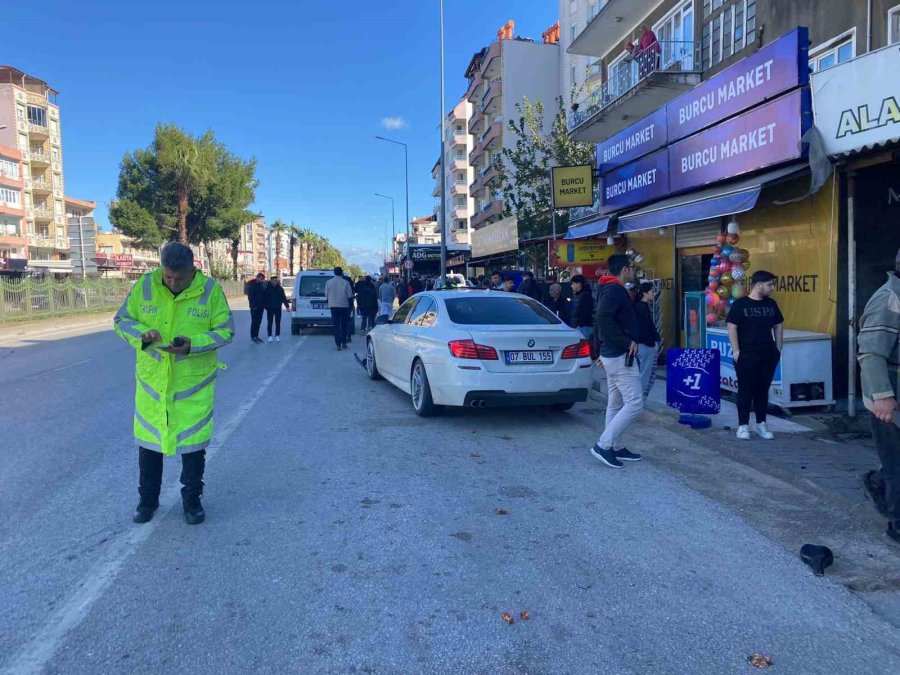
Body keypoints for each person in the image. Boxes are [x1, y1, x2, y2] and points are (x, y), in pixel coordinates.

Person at [114, 242, 234, 525]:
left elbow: (226, 331)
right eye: (168, 277)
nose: (173, 282)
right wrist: (143, 334)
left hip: (193, 386)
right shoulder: (146, 285)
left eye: (179, 278)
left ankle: (192, 503)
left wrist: (193, 345)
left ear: (193, 269)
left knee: (193, 448)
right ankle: (147, 502)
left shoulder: (210, 291)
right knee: (149, 447)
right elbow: (121, 320)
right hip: (152, 386)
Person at [857, 248, 900, 544]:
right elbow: (871, 351)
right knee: (898, 463)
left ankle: (877, 482)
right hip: (890, 398)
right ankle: (897, 525)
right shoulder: (889, 298)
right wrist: (882, 396)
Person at [591, 255, 643, 469]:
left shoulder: (607, 288)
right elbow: (602, 318)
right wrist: (624, 342)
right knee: (635, 403)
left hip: (611, 354)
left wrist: (599, 351)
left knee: (616, 402)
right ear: (624, 269)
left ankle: (612, 444)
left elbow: (599, 320)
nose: (634, 271)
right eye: (632, 268)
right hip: (618, 355)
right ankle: (603, 445)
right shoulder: (613, 290)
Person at [727, 270, 784, 441]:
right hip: (747, 353)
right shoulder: (741, 304)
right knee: (745, 389)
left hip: (767, 353)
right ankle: (743, 425)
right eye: (769, 284)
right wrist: (736, 351)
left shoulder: (771, 304)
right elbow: (732, 327)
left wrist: (778, 348)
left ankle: (761, 423)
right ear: (759, 285)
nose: (772, 288)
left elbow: (779, 325)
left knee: (762, 389)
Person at [633, 281, 661, 400]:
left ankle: (640, 400)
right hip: (645, 346)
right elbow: (642, 328)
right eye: (652, 291)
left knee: (649, 374)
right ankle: (639, 401)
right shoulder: (641, 308)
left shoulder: (642, 307)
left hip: (645, 345)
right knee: (646, 375)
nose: (654, 294)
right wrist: (651, 341)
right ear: (645, 293)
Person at [325, 266, 353, 351]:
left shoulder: (329, 282)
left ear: (334, 273)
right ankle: (344, 343)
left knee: (336, 326)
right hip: (344, 306)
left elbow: (326, 294)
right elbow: (349, 295)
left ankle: (338, 344)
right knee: (344, 325)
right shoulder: (345, 282)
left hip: (333, 306)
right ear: (341, 273)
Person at [264, 275, 289, 343]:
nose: (275, 282)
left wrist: (287, 307)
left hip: (278, 308)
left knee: (277, 322)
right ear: (271, 281)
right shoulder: (267, 288)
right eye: (274, 281)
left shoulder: (280, 289)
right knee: (270, 322)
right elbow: (264, 299)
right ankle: (270, 336)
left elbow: (284, 298)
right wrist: (265, 306)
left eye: (276, 281)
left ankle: (277, 335)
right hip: (270, 308)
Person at [568, 274, 594, 338]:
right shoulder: (576, 295)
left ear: (578, 284)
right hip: (577, 326)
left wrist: (578, 324)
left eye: (573, 283)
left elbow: (586, 312)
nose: (571, 286)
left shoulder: (585, 296)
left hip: (583, 327)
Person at [246, 272, 266, 344]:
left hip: (261, 307)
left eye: (262, 279)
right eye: (260, 278)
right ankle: (253, 337)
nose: (261, 280)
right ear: (257, 278)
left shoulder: (261, 285)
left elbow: (263, 296)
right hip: (254, 307)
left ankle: (256, 336)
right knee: (254, 322)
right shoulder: (253, 285)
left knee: (258, 322)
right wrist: (253, 306)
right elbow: (250, 297)